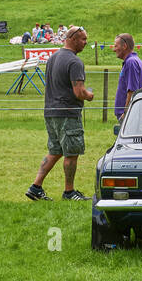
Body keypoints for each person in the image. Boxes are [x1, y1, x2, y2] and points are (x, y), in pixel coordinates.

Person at [28, 26, 94, 201]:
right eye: (83, 39)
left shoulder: (53, 58)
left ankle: (35, 187)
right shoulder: (75, 62)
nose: (85, 43)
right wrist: (89, 95)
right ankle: (69, 192)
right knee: (71, 153)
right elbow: (79, 92)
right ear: (72, 38)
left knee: (55, 150)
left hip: (50, 111)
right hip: (68, 113)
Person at [113, 32, 142, 127]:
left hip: (132, 116)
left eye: (116, 46)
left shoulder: (131, 62)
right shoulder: (133, 60)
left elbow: (132, 90)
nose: (114, 49)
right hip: (134, 114)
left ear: (124, 46)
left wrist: (126, 113)